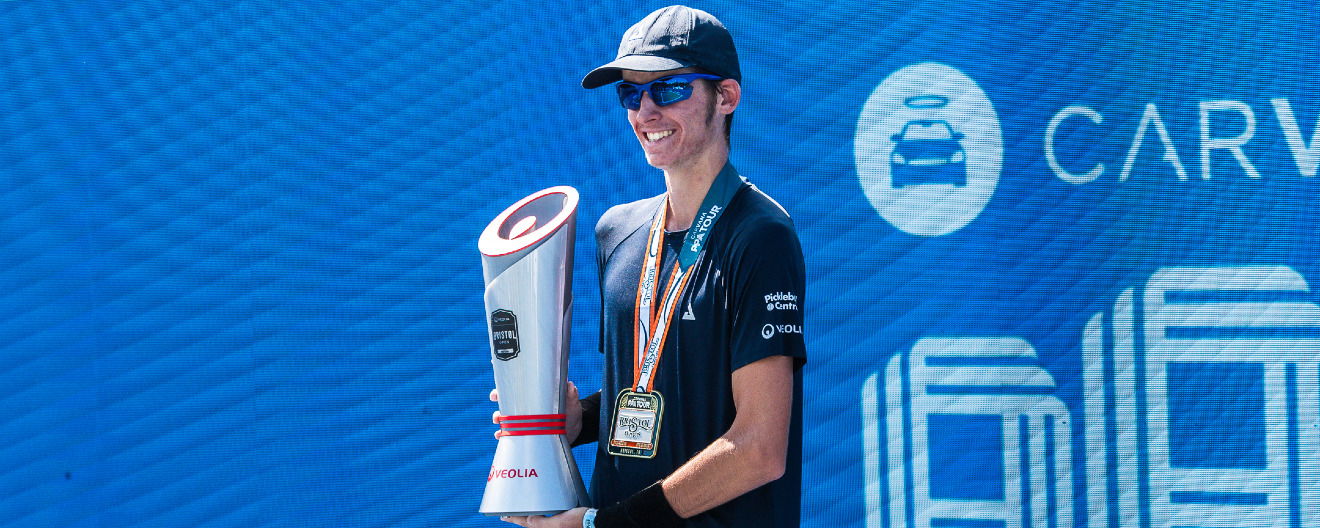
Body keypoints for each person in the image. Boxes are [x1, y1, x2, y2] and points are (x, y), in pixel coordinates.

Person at [499, 6, 806, 527]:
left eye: (668, 89)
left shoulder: (761, 235)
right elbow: (647, 386)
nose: (645, 112)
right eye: (631, 94)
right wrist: (579, 420)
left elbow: (758, 448)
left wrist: (604, 524)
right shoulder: (616, 230)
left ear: (726, 97)